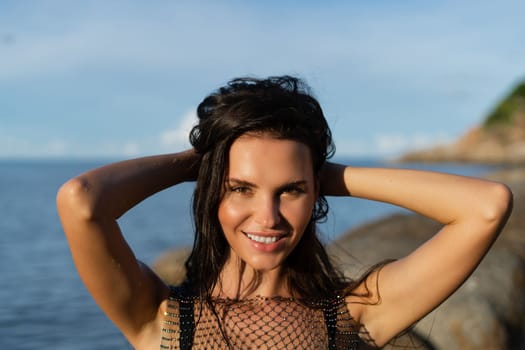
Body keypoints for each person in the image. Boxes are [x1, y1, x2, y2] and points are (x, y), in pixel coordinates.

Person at [57, 75, 513, 349]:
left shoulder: (353, 314)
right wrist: (202, 161)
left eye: (290, 191)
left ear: (316, 195)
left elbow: (486, 206)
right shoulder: (159, 316)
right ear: (214, 191)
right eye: (241, 189)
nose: (268, 216)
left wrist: (321, 175)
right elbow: (81, 201)